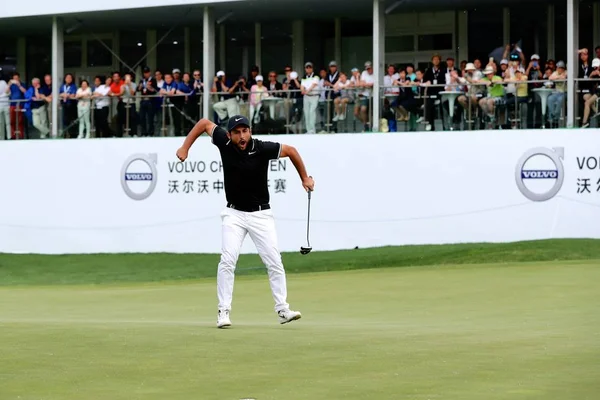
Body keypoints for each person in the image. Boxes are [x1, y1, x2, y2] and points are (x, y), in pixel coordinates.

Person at [175, 115, 315, 328]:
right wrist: (185, 147)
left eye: (245, 131)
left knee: (274, 262)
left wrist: (304, 178)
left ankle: (283, 309)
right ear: (230, 134)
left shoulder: (262, 148)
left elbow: (292, 151)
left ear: (250, 131)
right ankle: (223, 312)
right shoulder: (224, 141)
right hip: (234, 215)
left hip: (261, 214)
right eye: (237, 132)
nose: (242, 136)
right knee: (228, 260)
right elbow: (204, 124)